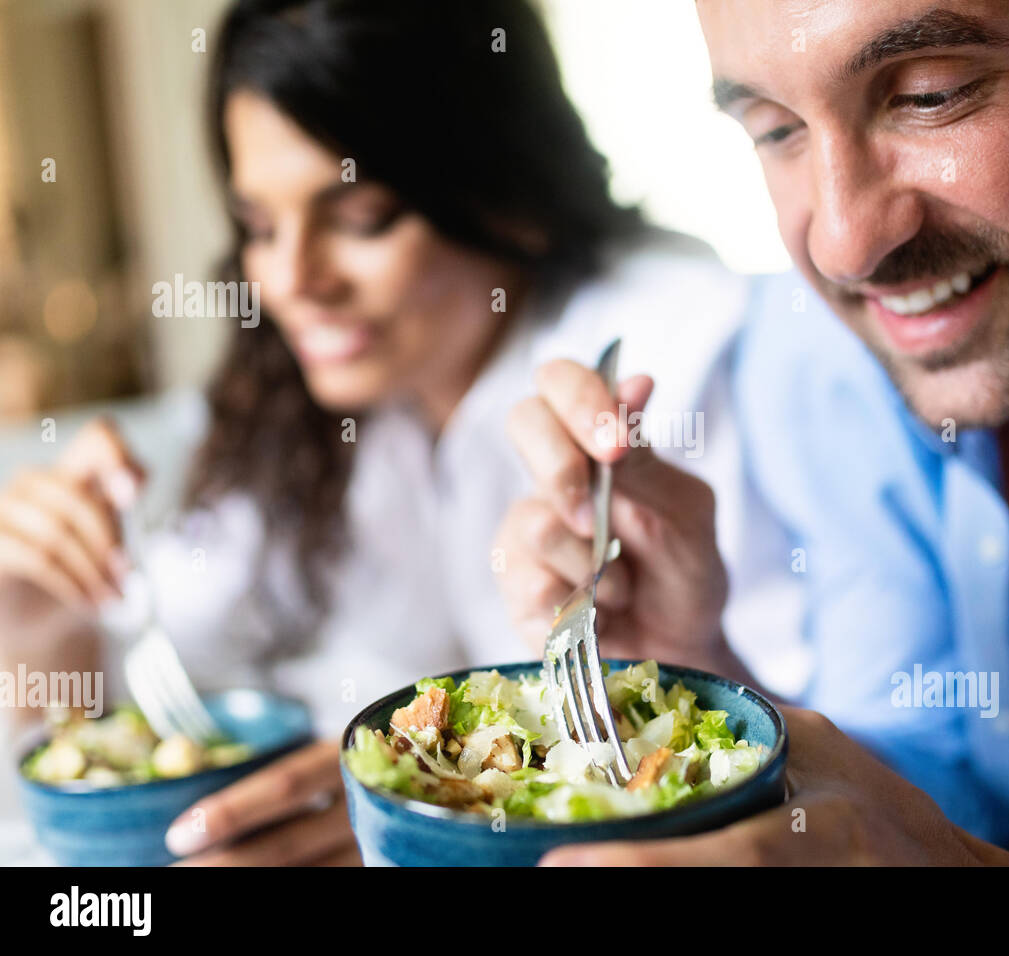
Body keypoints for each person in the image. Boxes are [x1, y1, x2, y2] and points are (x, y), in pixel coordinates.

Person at [495, 0, 1009, 864]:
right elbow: (912, 789)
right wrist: (695, 684)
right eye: (776, 129)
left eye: (929, 95)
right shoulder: (823, 359)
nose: (844, 245)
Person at [0, 0, 800, 865]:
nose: (293, 279)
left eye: (360, 217)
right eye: (260, 228)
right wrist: (45, 626)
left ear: (503, 193)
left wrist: (413, 808)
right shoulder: (316, 396)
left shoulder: (678, 348)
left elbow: (811, 755)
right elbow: (199, 667)